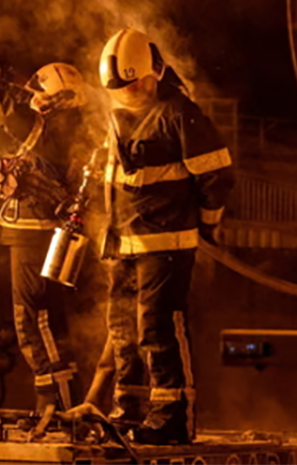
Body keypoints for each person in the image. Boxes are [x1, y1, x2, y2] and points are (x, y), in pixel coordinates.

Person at [97, 28, 235, 445]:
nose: (127, 93)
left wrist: (208, 222)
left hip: (167, 244)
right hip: (124, 241)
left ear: (149, 74)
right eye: (119, 88)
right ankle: (130, 408)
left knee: (157, 327)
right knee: (123, 327)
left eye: (132, 84)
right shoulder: (119, 113)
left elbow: (217, 174)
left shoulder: (178, 113)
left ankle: (172, 416)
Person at [0, 53, 104, 413]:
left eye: (39, 94)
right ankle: (57, 405)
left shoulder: (47, 130)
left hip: (33, 234)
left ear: (53, 100)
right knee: (48, 322)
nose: (33, 98)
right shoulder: (69, 127)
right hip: (43, 234)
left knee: (34, 322)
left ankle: (58, 407)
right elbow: (24, 103)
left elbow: (4, 109)